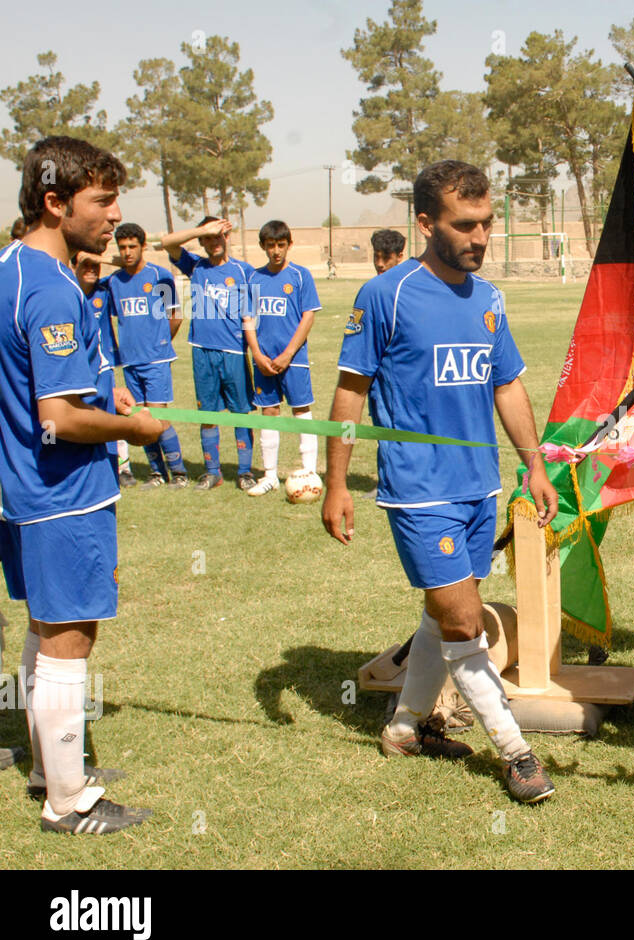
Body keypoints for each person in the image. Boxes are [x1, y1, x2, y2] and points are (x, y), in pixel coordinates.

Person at [322, 160, 560, 804]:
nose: (479, 238)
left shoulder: (489, 299)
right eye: (464, 225)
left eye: (486, 224)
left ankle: (404, 728)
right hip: (418, 491)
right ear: (425, 223)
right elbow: (350, 390)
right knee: (464, 626)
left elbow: (506, 384)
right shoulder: (385, 295)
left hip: (479, 486)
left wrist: (533, 463)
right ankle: (516, 752)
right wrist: (336, 482)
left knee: (442, 616)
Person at [0, 136, 165, 833]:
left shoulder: (12, 268)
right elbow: (60, 418)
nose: (115, 215)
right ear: (54, 201)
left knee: (47, 625)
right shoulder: (49, 287)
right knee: (71, 637)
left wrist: (110, 397)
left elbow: (56, 389)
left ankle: (50, 765)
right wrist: (132, 432)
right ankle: (66, 802)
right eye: (101, 200)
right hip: (61, 493)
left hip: (21, 489)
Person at [159, 216, 256, 491]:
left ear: (228, 238)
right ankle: (212, 471)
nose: (214, 243)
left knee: (240, 413)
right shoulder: (196, 267)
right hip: (202, 352)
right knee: (208, 414)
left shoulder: (244, 271)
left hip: (234, 352)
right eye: (208, 238)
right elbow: (166, 243)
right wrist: (202, 229)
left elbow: (254, 315)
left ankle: (245, 472)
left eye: (219, 236)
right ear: (201, 241)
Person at [106, 223, 187, 487]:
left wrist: (161, 343)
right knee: (139, 419)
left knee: (159, 418)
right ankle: (156, 472)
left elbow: (175, 315)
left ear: (142, 246)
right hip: (130, 362)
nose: (128, 252)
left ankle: (179, 473)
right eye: (123, 248)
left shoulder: (159, 275)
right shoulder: (115, 282)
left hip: (156, 360)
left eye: (133, 246)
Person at [243, 220, 321, 497]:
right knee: (270, 411)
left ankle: (310, 471)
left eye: (281, 245)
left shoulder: (301, 276)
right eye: (271, 245)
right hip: (263, 359)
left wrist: (288, 354)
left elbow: (307, 316)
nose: (276, 251)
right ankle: (269, 475)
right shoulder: (253, 278)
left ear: (289, 244)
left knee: (301, 411)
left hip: (293, 359)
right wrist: (256, 353)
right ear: (263, 246)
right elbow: (248, 319)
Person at [72, 252, 134, 487]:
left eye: (95, 266)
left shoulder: (105, 290)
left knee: (111, 412)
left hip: (105, 365)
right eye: (85, 265)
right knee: (84, 413)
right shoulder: (69, 292)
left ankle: (123, 467)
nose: (92, 270)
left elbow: (125, 264)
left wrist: (96, 258)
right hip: (78, 366)